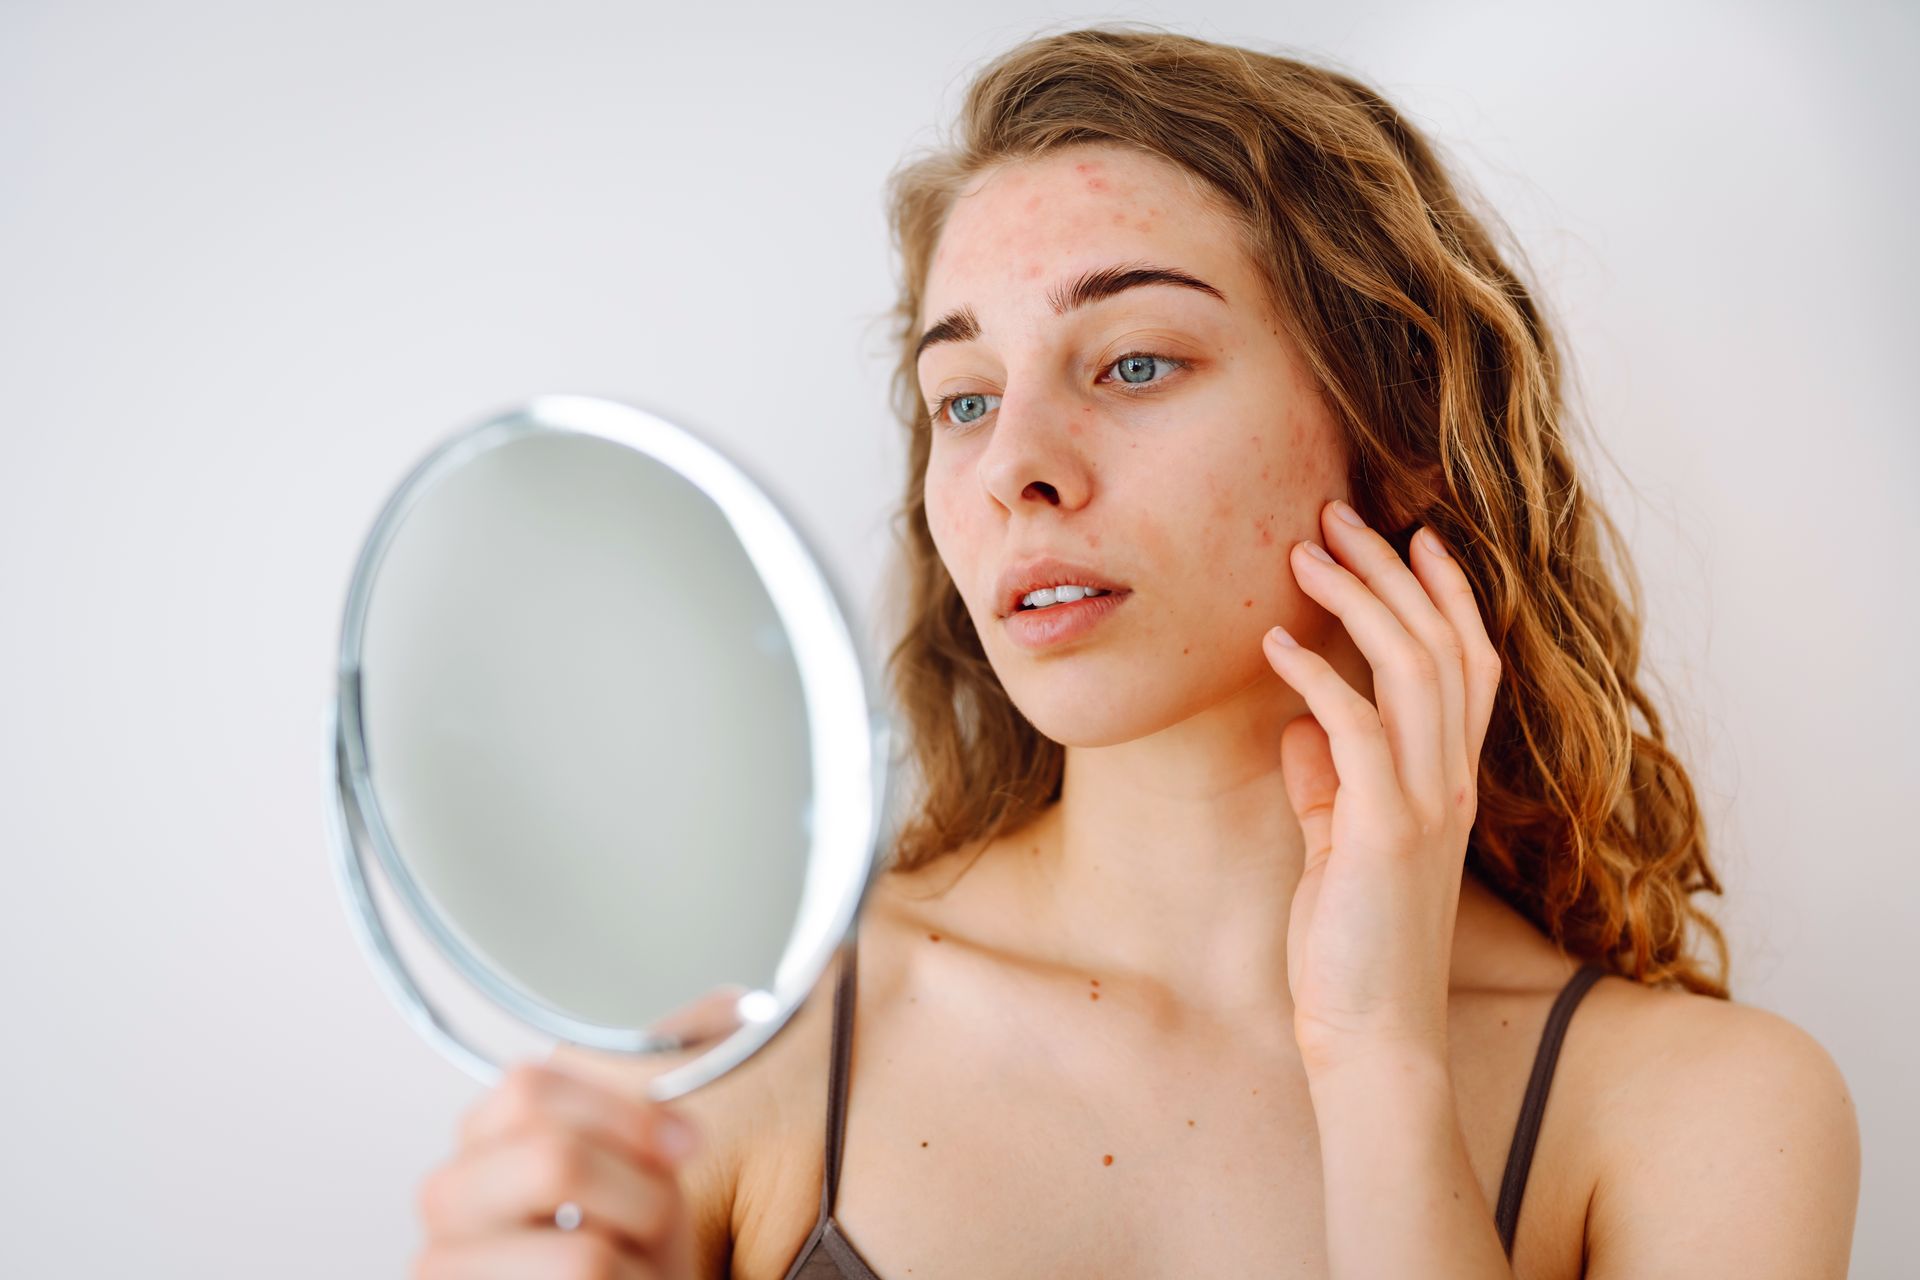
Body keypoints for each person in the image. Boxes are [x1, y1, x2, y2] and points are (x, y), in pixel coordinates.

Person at [410, 25, 1861, 1279]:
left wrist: (1378, 1061)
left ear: (1398, 436)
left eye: (1135, 363)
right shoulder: (735, 1058)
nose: (1013, 467)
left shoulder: (1704, 1116)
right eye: (963, 398)